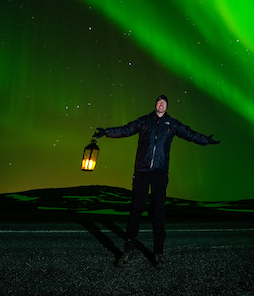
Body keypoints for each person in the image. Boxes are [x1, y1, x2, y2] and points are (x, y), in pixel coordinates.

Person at [94, 94, 220, 266]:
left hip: (160, 172)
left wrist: (205, 140)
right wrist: (107, 132)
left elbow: (188, 133)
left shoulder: (172, 123)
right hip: (142, 171)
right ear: (155, 105)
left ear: (167, 107)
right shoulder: (145, 120)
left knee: (158, 212)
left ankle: (158, 253)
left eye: (164, 102)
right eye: (159, 102)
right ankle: (128, 251)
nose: (161, 104)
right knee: (136, 210)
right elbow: (127, 129)